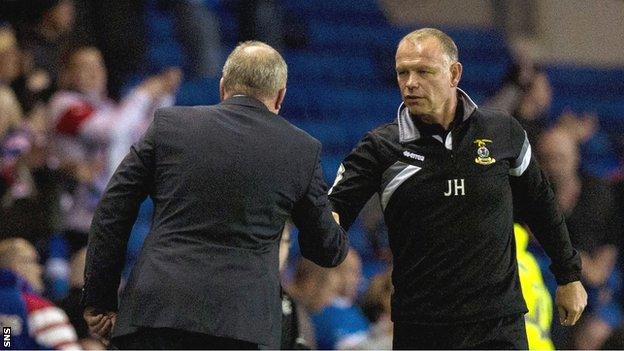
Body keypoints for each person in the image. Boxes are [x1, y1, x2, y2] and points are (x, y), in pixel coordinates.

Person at [327, 27, 587, 349]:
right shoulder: (381, 147)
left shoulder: (503, 132)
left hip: (499, 327)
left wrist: (568, 275)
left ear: (454, 74)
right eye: (402, 72)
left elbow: (540, 204)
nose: (410, 83)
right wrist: (323, 229)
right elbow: (334, 210)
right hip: (423, 330)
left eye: (423, 71)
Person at [81, 41, 348, 349]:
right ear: (280, 97)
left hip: (154, 314)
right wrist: (333, 223)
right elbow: (326, 250)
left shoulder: (169, 125)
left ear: (223, 87)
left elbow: (112, 211)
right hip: (238, 328)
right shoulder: (302, 150)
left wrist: (100, 300)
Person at [0, 238, 81, 349]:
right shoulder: (39, 309)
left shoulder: (7, 306)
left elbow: (6, 341)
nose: (40, 269)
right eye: (34, 261)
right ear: (17, 266)